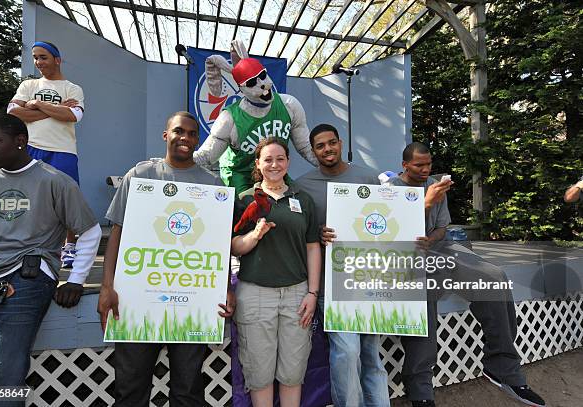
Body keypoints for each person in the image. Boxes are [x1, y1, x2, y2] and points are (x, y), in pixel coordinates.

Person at [389, 142, 545, 407]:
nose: (426, 170)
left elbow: (442, 228)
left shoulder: (436, 184)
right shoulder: (390, 190)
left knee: (494, 277)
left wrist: (431, 237)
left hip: (439, 249)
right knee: (422, 291)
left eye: (429, 164)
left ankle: (501, 367)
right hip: (406, 256)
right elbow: (391, 232)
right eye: (419, 165)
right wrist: (425, 207)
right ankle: (420, 387)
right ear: (404, 165)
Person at [97, 111, 235, 406]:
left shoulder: (212, 184)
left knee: (188, 391)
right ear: (166, 135)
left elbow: (219, 245)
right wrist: (106, 286)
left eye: (192, 133)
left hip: (191, 303)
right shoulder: (140, 176)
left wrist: (226, 288)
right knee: (130, 390)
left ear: (198, 140)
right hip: (136, 302)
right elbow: (117, 235)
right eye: (178, 131)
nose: (185, 138)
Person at [0, 113, 100, 400]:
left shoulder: (55, 181)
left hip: (26, 280)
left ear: (20, 141)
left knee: (4, 372)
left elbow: (89, 231)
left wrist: (75, 280)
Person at [296, 123, 390, 407]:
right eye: (320, 146)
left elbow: (388, 223)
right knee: (347, 354)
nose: (327, 149)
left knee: (371, 356)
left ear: (340, 142)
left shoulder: (370, 178)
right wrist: (318, 233)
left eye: (331, 143)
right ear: (313, 152)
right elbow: (300, 234)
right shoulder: (303, 186)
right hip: (332, 284)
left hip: (370, 281)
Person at [231, 138, 321, 407]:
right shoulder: (245, 199)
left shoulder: (302, 198)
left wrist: (313, 292)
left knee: (293, 369)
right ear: (258, 164)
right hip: (256, 293)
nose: (274, 164)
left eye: (280, 158)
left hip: (296, 294)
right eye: (267, 159)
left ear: (288, 162)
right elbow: (234, 247)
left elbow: (313, 247)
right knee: (259, 370)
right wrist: (254, 236)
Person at [194, 40, 317, 196]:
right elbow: (207, 156)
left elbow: (305, 147)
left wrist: (332, 166)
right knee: (246, 210)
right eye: (252, 82)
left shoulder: (289, 105)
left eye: (263, 75)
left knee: (298, 201)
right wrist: (174, 163)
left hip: (275, 172)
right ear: (242, 89)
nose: (263, 84)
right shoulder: (229, 118)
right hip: (240, 175)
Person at [8, 41, 85, 268]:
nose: (39, 62)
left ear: (57, 59)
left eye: (44, 57)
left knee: (68, 200)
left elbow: (74, 116)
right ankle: (28, 246)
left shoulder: (73, 88)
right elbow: (13, 112)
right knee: (28, 198)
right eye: (35, 57)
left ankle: (69, 247)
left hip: (64, 151)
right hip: (32, 148)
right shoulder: (29, 84)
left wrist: (37, 104)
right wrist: (56, 109)